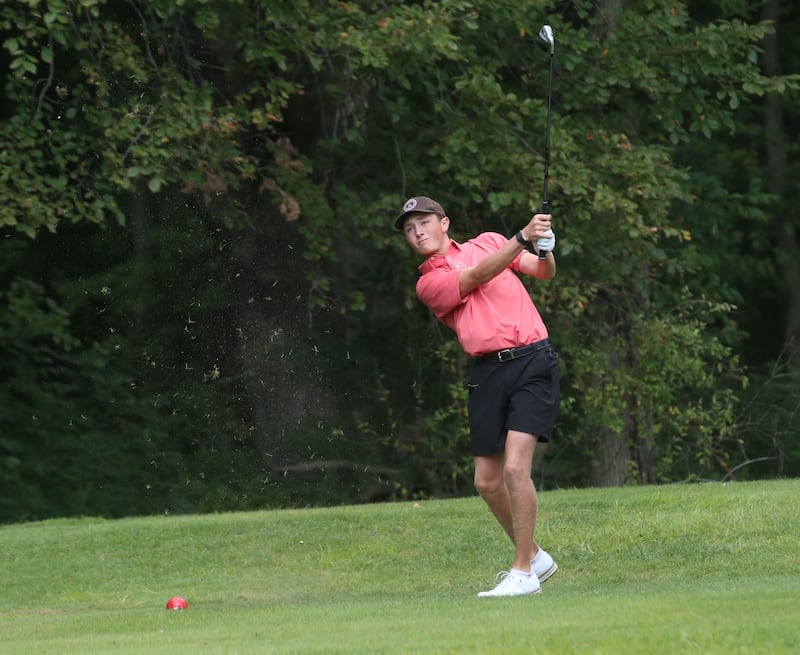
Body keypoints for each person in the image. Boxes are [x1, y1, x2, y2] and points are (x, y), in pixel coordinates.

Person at [395, 196, 560, 598]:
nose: (417, 232)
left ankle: (523, 573)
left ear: (445, 223)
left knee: (515, 470)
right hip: (487, 372)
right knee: (486, 481)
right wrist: (522, 236)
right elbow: (477, 276)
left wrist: (545, 247)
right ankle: (535, 556)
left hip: (532, 361)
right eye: (410, 229)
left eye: (424, 222)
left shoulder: (488, 241)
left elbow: (542, 272)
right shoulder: (428, 283)